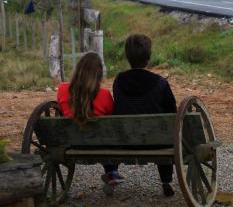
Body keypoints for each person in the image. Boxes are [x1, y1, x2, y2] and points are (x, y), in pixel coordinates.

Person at [113, 34, 177, 197]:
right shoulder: (160, 82)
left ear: (128, 57)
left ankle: (112, 173)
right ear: (148, 57)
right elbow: (172, 113)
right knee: (165, 130)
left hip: (126, 141)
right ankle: (166, 180)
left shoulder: (119, 81)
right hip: (157, 143)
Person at [56, 52, 124, 185]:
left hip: (72, 143)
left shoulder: (63, 88)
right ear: (98, 74)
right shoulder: (104, 95)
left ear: (78, 69)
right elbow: (112, 119)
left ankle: (112, 173)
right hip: (100, 145)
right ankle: (111, 172)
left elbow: (61, 109)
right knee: (111, 134)